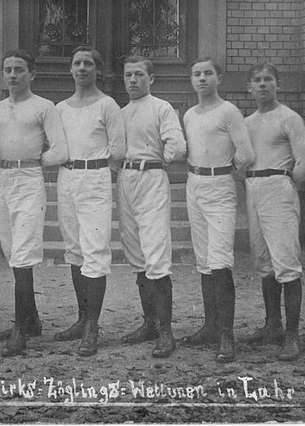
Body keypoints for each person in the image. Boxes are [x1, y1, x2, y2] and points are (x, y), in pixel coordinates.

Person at [0, 49, 68, 356]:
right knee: (11, 249)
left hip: (28, 179)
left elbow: (59, 151)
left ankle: (21, 329)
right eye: (8, 69)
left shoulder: (44, 107)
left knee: (24, 251)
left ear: (31, 74)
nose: (12, 75)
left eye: (19, 69)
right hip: (0, 179)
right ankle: (30, 319)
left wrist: (36, 160)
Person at [180, 58, 255, 363]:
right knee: (203, 258)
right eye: (196, 74)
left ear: (219, 78)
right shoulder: (189, 114)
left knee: (220, 259)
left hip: (220, 186)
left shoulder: (229, 111)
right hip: (194, 183)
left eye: (207, 73)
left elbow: (247, 154)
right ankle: (210, 327)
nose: (202, 79)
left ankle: (227, 335)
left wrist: (226, 171)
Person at [53, 46, 126, 357]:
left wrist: (98, 173)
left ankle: (92, 326)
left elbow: (119, 150)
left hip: (94, 177)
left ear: (97, 69)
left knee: (95, 250)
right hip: (66, 177)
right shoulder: (60, 108)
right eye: (76, 63)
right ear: (70, 69)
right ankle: (81, 318)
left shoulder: (108, 105)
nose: (81, 68)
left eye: (88, 64)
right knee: (74, 248)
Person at [117, 56, 186, 358]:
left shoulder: (161, 108)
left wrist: (162, 159)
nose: (132, 80)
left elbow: (177, 146)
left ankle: (167, 333)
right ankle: (150, 323)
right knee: (136, 253)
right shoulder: (120, 113)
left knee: (156, 252)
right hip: (126, 178)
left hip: (152, 176)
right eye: (128, 75)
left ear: (151, 78)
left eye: (139, 74)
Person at [242, 62, 305, 361]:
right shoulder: (247, 122)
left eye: (268, 80)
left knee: (286, 261)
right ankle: (273, 325)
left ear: (277, 84)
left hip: (279, 187)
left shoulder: (290, 118)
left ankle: (293, 336)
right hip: (253, 188)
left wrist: (285, 184)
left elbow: (304, 165)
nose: (262, 85)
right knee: (263, 260)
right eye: (256, 80)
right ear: (249, 87)